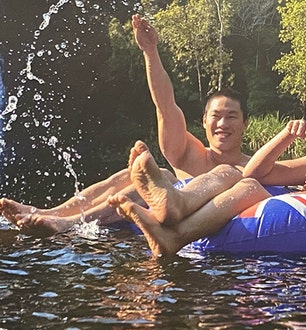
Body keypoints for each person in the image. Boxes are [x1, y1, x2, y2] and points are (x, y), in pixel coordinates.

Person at [0, 15, 249, 234]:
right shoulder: (189, 154)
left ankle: (70, 223)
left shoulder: (254, 166)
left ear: (246, 124)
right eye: (216, 116)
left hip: (194, 221)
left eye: (232, 116)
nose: (222, 123)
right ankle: (50, 212)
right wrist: (150, 52)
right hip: (151, 217)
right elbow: (165, 105)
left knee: (161, 175)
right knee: (129, 175)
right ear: (204, 121)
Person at [108, 97, 306, 257]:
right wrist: (285, 135)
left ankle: (175, 234)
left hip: (293, 219)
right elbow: (255, 172)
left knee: (248, 186)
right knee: (234, 173)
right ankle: (176, 204)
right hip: (273, 201)